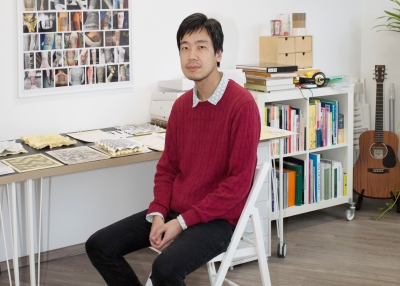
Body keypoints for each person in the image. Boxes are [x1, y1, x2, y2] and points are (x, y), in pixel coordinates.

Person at [85, 12, 261, 286]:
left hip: (217, 220)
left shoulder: (242, 105)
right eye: (184, 47)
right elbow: (168, 169)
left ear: (218, 54)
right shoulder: (180, 107)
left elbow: (237, 184)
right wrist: (157, 213)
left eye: (201, 47)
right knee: (99, 245)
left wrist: (182, 222)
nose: (192, 55)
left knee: (165, 269)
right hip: (175, 212)